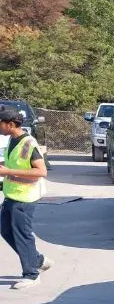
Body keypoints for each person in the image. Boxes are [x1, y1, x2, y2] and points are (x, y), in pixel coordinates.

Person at [0, 107, 53, 289]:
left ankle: (31, 274)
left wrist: (7, 171)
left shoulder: (29, 143)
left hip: (25, 197)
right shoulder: (12, 140)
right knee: (6, 230)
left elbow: (41, 171)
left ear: (11, 124)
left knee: (22, 234)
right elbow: (13, 165)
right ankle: (37, 259)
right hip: (11, 194)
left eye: (0, 123)